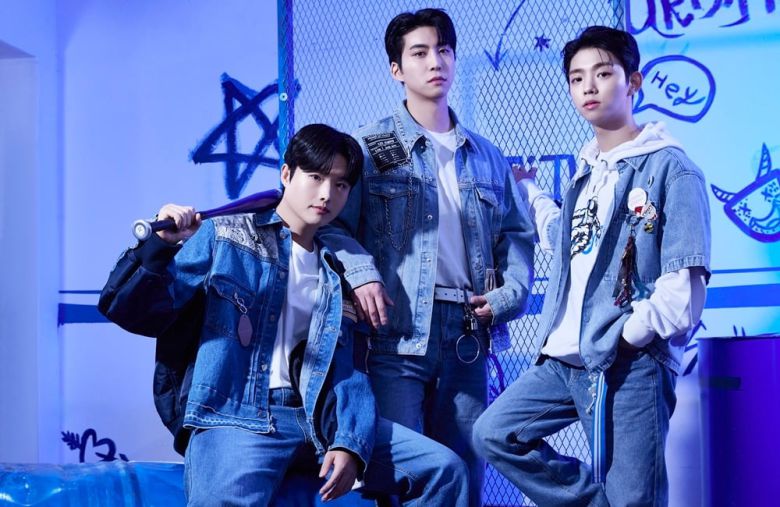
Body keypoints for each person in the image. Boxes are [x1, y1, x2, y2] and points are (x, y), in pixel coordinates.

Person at [98, 123, 469, 506]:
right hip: (236, 414)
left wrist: (349, 439)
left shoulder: (338, 270)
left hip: (319, 419)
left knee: (443, 470)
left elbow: (349, 370)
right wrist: (158, 247)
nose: (326, 194)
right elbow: (133, 310)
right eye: (316, 177)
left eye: (340, 184)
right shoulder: (225, 237)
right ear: (287, 174)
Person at [472, 26, 711, 506]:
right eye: (577, 78)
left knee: (634, 499)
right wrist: (530, 190)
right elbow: (564, 239)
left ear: (633, 82)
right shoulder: (586, 174)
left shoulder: (672, 168)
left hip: (630, 364)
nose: (589, 87)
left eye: (603, 74)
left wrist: (628, 335)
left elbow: (684, 285)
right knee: (494, 433)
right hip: (565, 359)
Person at [318, 8, 535, 505]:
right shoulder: (369, 146)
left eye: (443, 50)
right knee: (404, 476)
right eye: (419, 53)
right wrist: (362, 274)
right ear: (396, 69)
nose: (435, 61)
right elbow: (331, 226)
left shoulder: (486, 155)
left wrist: (509, 295)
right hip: (396, 332)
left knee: (465, 471)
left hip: (469, 331)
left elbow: (517, 235)